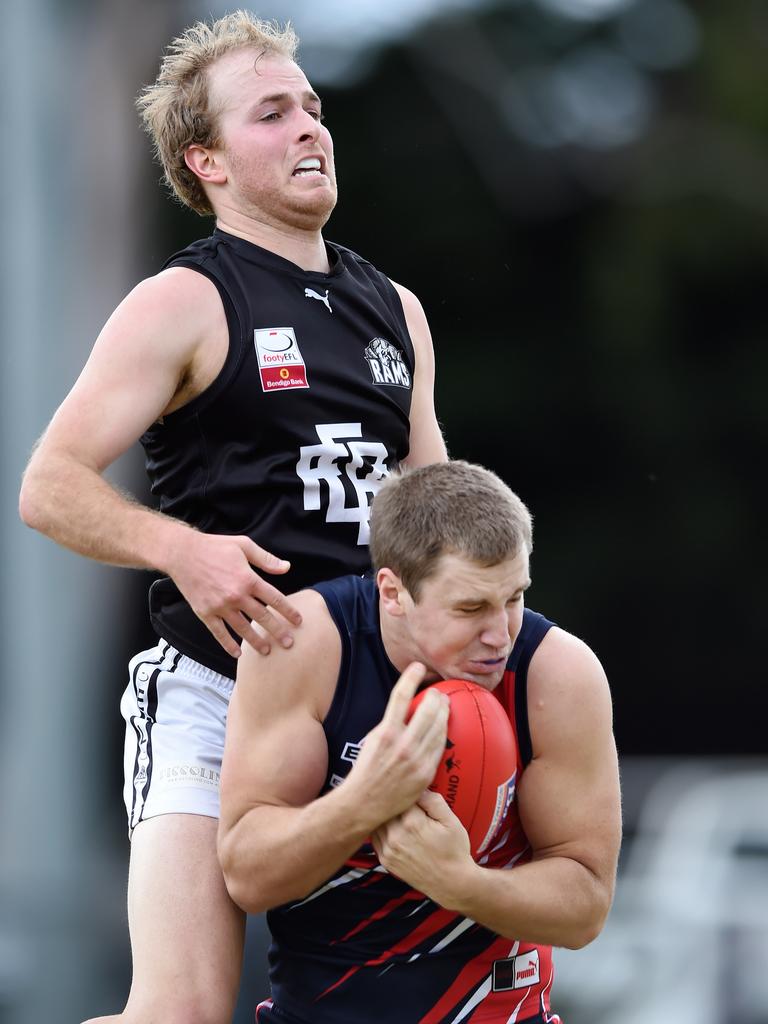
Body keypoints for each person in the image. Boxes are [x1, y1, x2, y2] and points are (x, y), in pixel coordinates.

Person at [18, 12, 446, 1024]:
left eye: (312, 107)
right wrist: (183, 550)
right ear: (204, 160)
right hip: (216, 688)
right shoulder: (182, 300)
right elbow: (50, 484)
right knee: (182, 1011)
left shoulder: (398, 310)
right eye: (273, 113)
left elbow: (438, 521)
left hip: (367, 705)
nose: (309, 128)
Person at [218, 460, 622, 1024]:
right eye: (470, 607)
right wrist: (362, 803)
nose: (500, 633)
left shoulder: (556, 675)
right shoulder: (303, 643)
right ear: (393, 591)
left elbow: (586, 906)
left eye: (514, 597)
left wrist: (462, 884)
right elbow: (246, 875)